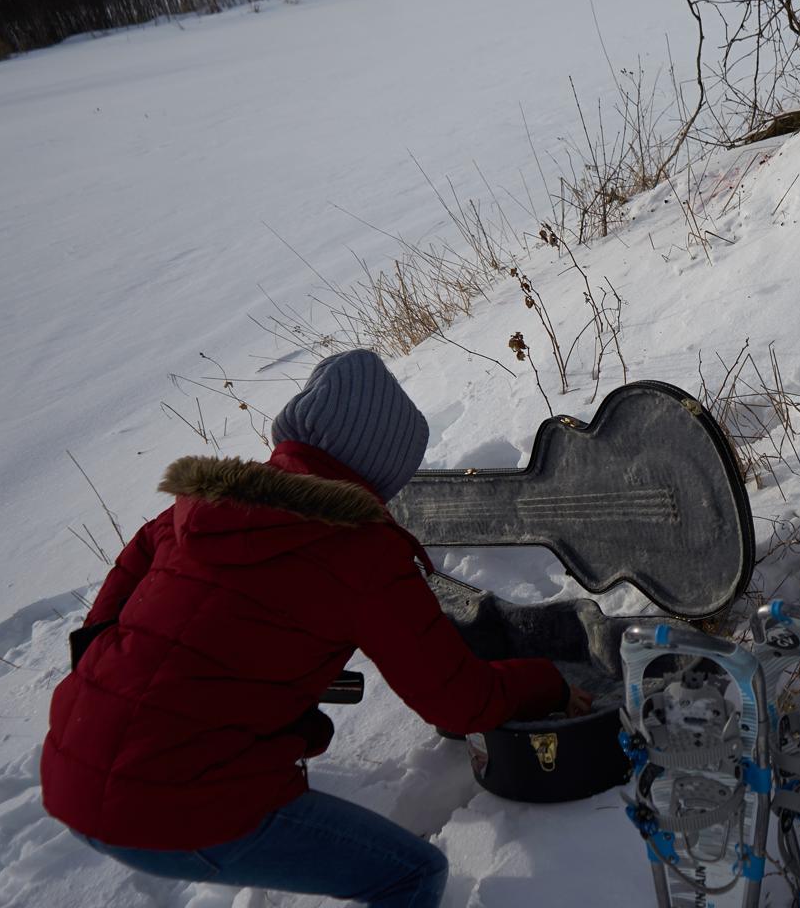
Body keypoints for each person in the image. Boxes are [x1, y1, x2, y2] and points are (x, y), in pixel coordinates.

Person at [41, 350, 591, 906]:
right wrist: (545, 682)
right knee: (411, 875)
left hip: (70, 767)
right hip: (175, 802)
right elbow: (459, 704)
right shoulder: (357, 549)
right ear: (375, 468)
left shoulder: (201, 506)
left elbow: (113, 606)